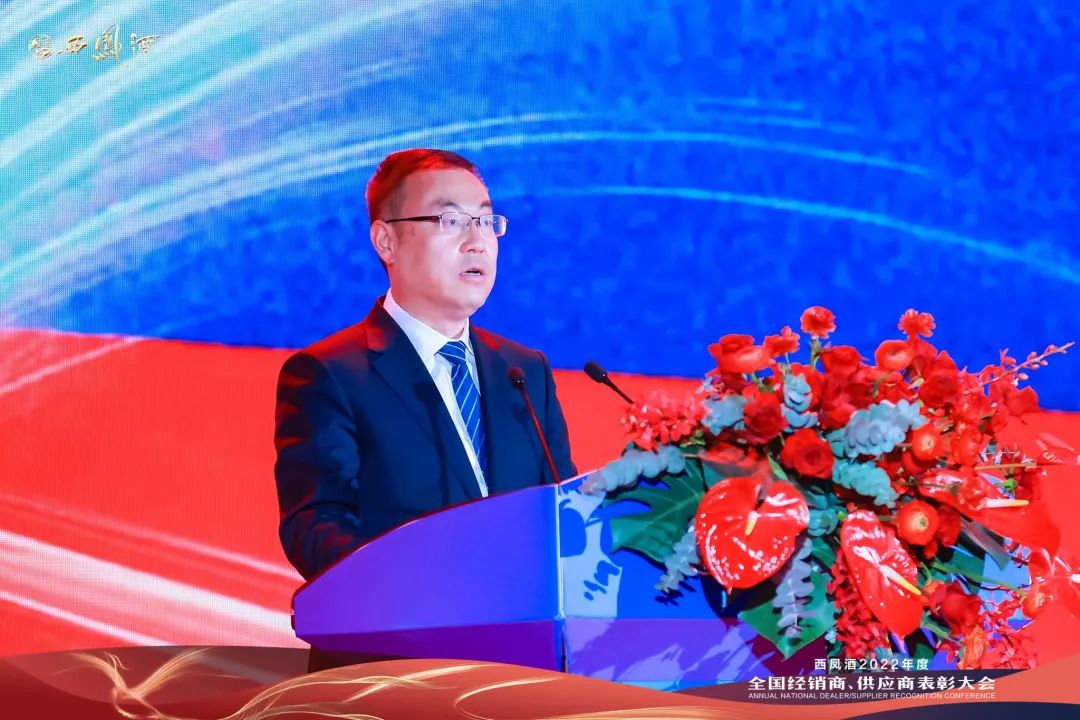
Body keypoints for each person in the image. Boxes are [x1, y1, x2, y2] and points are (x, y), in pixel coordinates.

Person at [274, 148, 577, 581]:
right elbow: (316, 529)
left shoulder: (525, 373)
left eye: (485, 221)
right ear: (387, 241)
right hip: (403, 623)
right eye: (451, 221)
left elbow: (563, 517)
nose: (476, 241)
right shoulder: (329, 376)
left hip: (524, 625)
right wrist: (428, 584)